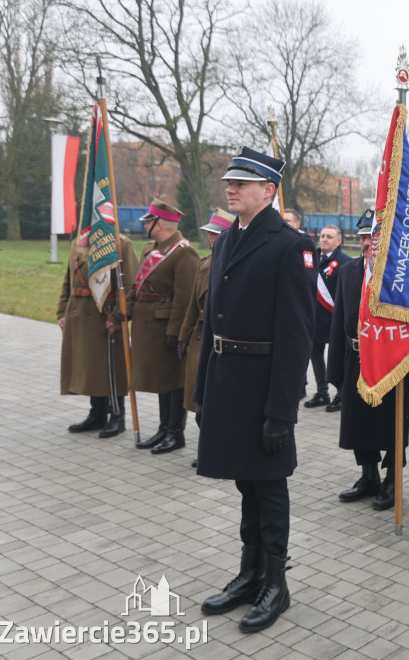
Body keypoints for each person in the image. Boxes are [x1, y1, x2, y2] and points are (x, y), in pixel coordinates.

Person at [194, 147, 316, 634]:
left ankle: (276, 584)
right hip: (229, 383)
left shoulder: (291, 245)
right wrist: (203, 388)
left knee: (268, 486)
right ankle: (249, 574)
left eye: (242, 182)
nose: (231, 188)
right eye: (230, 181)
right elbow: (211, 324)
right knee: (246, 481)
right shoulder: (226, 240)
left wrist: (281, 411)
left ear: (268, 191)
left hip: (264, 388)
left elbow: (297, 335)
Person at [328, 209, 409, 510]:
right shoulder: (348, 271)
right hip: (354, 357)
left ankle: (392, 481)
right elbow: (339, 317)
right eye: (363, 237)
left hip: (390, 360)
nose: (367, 242)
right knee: (358, 423)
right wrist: (334, 368)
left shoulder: (398, 274)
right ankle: (369, 476)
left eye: (372, 237)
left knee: (391, 424)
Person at [132, 198, 200, 454]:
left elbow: (185, 298)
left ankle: (175, 433)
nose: (145, 225)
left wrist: (176, 332)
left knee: (174, 382)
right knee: (162, 381)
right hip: (149, 327)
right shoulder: (151, 249)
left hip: (167, 329)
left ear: (159, 224)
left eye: (148, 221)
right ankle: (163, 429)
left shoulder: (184, 253)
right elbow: (139, 286)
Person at [58, 229, 138, 438]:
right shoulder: (79, 241)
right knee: (91, 366)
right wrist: (62, 310)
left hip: (105, 316)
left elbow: (130, 284)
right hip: (80, 314)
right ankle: (97, 413)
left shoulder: (121, 244)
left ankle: (117, 416)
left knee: (111, 367)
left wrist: (118, 316)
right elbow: (69, 279)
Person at [178, 208, 233, 467]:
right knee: (198, 403)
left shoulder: (233, 263)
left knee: (216, 404)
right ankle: (207, 448)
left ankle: (218, 450)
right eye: (209, 234)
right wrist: (182, 335)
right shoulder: (204, 263)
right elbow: (192, 304)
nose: (211, 239)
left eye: (215, 234)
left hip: (222, 339)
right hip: (200, 336)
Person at [303, 225, 350, 412]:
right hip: (314, 317)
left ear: (338, 241)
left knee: (337, 357)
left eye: (329, 237)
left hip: (335, 319)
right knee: (315, 354)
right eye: (322, 236)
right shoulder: (309, 259)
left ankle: (341, 393)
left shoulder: (345, 262)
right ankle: (322, 391)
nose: (324, 239)